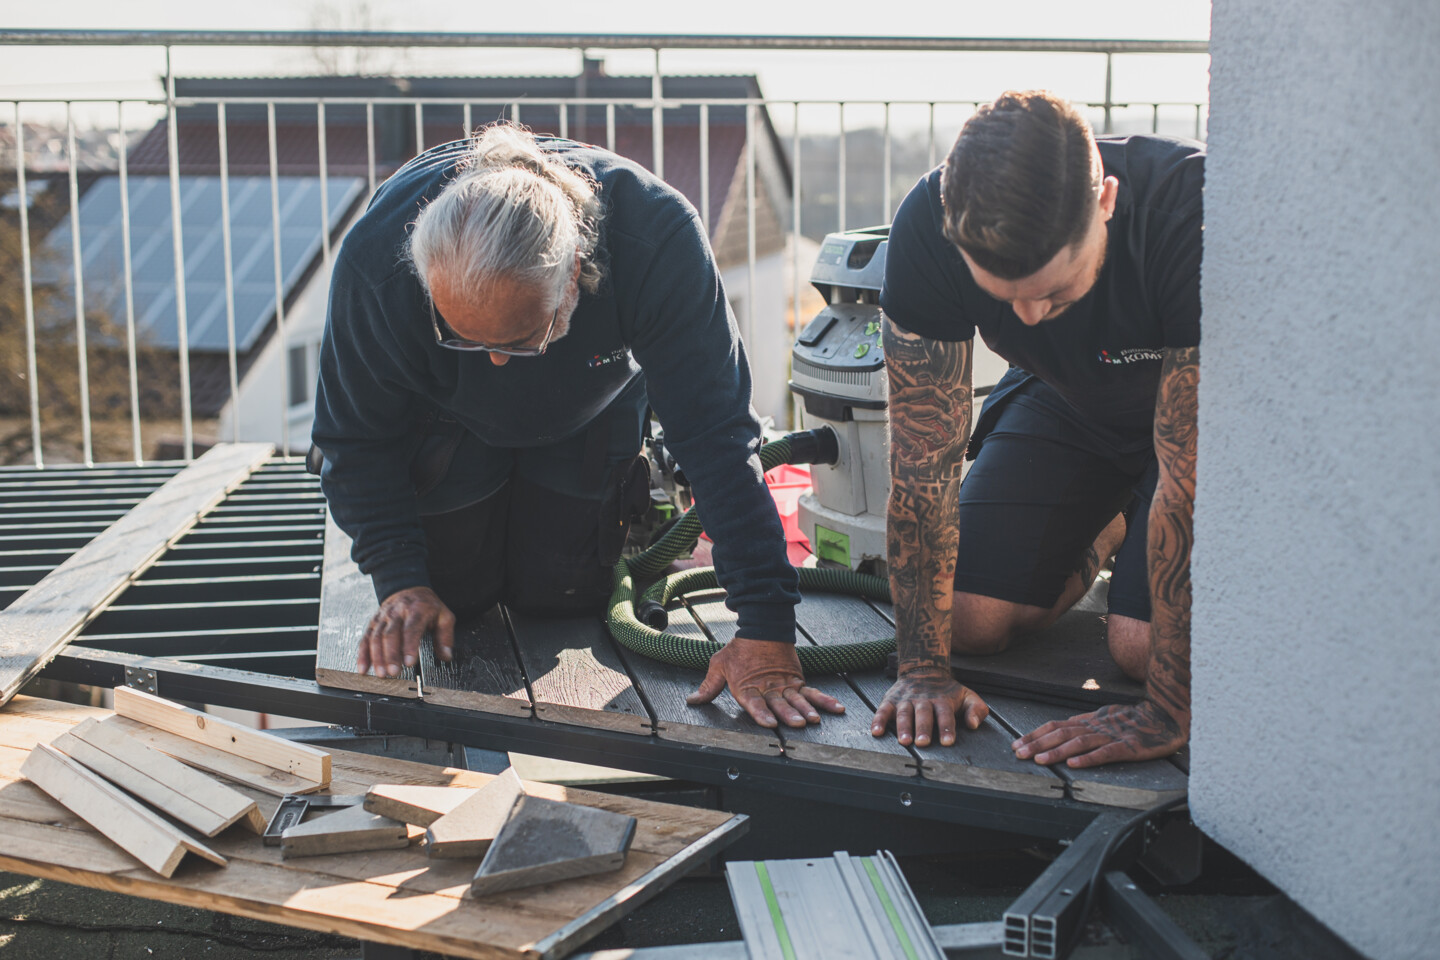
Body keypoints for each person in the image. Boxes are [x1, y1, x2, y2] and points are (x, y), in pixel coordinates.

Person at [311, 123, 844, 731]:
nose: (494, 363)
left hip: (592, 402)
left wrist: (766, 629)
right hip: (440, 419)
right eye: (463, 335)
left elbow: (716, 435)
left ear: (575, 275)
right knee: (454, 601)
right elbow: (354, 440)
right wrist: (399, 578)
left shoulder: (656, 239)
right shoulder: (376, 261)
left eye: (517, 339)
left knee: (559, 598)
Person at [869, 91, 1201, 768]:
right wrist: (924, 669)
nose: (1028, 317)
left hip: (1196, 427)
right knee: (966, 625)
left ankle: (1128, 523)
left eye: (1052, 289)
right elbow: (921, 467)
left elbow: (1188, 478)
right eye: (1003, 294)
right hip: (1065, 400)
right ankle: (1109, 524)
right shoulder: (929, 226)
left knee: (1139, 649)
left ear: (1105, 202)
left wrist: (1169, 709)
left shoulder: (1190, 215)